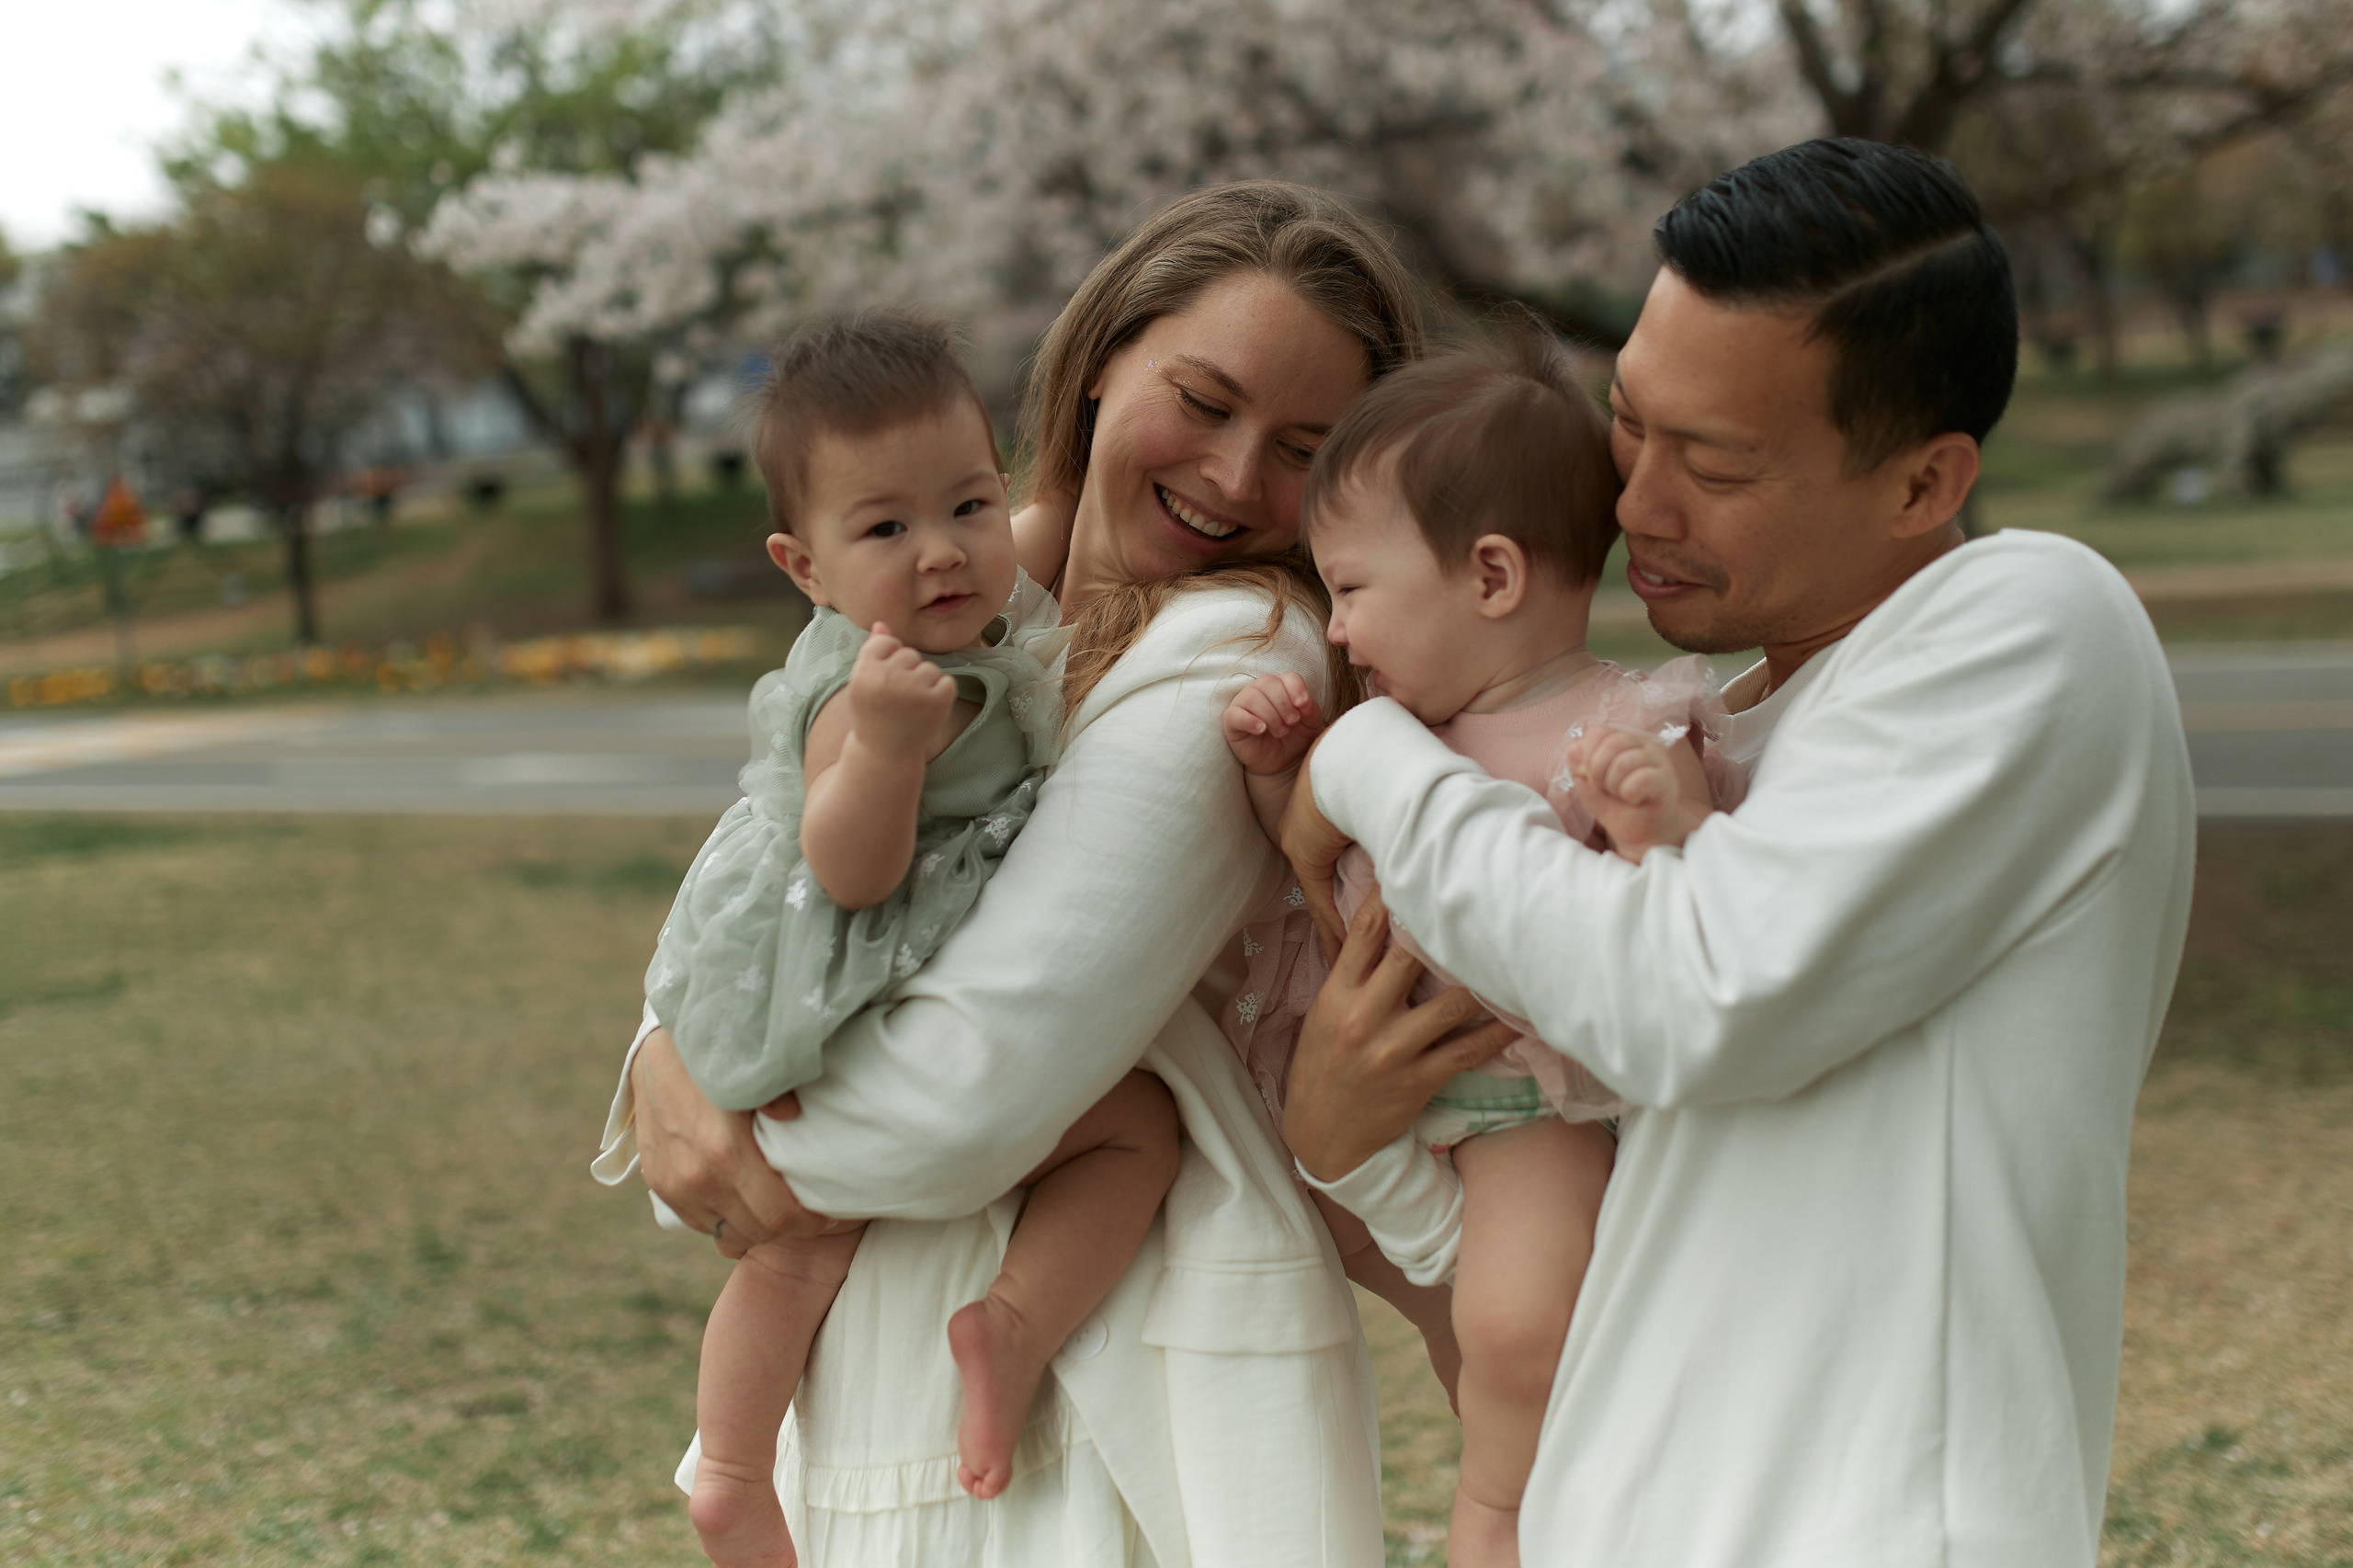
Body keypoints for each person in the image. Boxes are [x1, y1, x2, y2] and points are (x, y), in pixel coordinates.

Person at [1279, 139, 2196, 1567]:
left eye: (1712, 463)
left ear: (1921, 482)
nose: (1636, 501)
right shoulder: (1694, 744)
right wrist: (1354, 1154)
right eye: (1630, 425)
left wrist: (1371, 754)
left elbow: (1696, 998)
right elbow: (1615, 1187)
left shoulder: (2026, 624)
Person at [598, 182, 1455, 1566]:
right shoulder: (964, 569)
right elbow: (765, 853)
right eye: (1206, 398)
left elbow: (965, 1093)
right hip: (887, 1325)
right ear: (1106, 355)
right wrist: (656, 1050)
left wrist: (723, 1125)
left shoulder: (1246, 648)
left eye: (1301, 447)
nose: (1236, 479)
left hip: (1101, 1370)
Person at [639, 312, 1181, 1567]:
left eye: (968, 507)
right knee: (801, 1245)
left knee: (1132, 1127)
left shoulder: (979, 624)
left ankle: (1004, 1325)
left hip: (899, 974)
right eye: (885, 529)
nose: (940, 553)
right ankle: (728, 1467)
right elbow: (849, 864)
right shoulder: (861, 687)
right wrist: (883, 750)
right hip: (844, 990)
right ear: (805, 566)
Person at [1217, 328, 1746, 1565]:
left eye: (1352, 589)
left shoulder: (1619, 722)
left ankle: (1497, 1517)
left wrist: (1656, 821)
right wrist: (1269, 769)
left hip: (1530, 1108)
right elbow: (1313, 876)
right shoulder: (1401, 733)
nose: (1338, 633)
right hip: (1380, 1095)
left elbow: (1689, 927)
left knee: (1513, 1322)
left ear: (1493, 576)